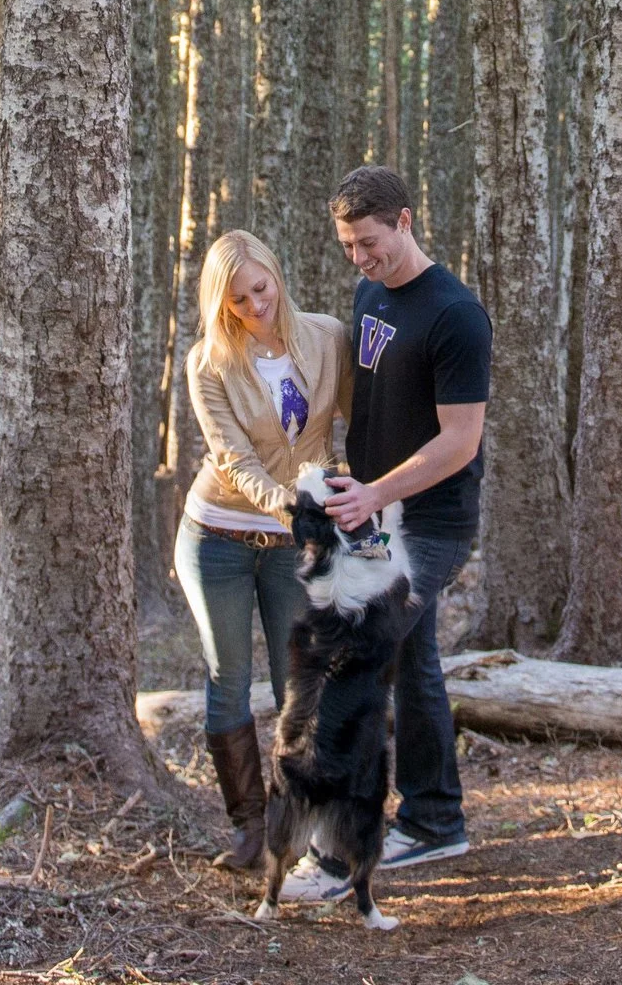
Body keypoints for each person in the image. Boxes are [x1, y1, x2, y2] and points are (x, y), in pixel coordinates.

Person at [277, 164, 489, 904]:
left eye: (370, 243)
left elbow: (460, 441)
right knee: (416, 662)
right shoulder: (371, 293)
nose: (361, 260)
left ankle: (338, 853)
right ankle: (435, 819)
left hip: (428, 520)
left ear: (404, 221)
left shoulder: (455, 313)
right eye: (347, 247)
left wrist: (378, 492)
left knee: (355, 653)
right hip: (369, 509)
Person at [175, 229, 351, 869]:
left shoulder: (328, 336)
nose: (254, 305)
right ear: (219, 302)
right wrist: (288, 502)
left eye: (260, 288)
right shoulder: (208, 362)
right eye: (237, 298)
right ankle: (248, 827)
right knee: (228, 679)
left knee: (296, 685)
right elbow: (233, 458)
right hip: (216, 534)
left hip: (290, 545)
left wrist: (362, 489)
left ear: (276, 276)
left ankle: (295, 822)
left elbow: (355, 421)